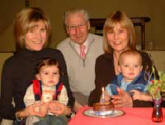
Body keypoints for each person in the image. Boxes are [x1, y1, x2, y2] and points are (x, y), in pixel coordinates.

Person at [0, 7, 75, 125]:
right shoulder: (11, 64)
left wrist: (65, 109)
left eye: (42, 30)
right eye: (32, 31)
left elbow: (69, 97)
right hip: (27, 120)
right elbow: (5, 109)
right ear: (22, 34)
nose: (38, 37)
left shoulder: (56, 56)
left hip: (57, 118)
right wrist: (25, 112)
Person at [89, 10, 158, 107]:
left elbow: (159, 97)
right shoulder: (101, 61)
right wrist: (101, 100)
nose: (115, 37)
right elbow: (97, 93)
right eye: (111, 32)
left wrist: (132, 103)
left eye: (120, 31)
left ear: (129, 33)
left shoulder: (143, 58)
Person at [57, 8, 103, 110]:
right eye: (72, 27)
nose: (77, 32)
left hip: (102, 98)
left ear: (88, 25)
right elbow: (60, 83)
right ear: (67, 30)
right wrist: (73, 104)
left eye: (81, 25)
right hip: (75, 101)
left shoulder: (104, 44)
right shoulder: (60, 49)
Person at [24, 57, 68, 125]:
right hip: (37, 114)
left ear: (59, 75)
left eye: (55, 73)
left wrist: (58, 106)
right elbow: (28, 101)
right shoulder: (33, 87)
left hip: (56, 114)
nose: (51, 77)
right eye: (46, 73)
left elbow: (64, 101)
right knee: (42, 123)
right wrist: (38, 107)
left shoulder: (61, 88)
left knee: (59, 122)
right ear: (38, 76)